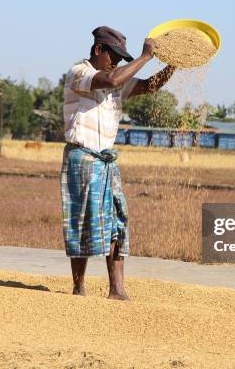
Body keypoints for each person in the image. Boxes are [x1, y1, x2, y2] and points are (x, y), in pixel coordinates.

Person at [60, 26, 175, 300]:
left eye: (122, 59)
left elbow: (149, 85)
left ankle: (117, 290)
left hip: (106, 160)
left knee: (117, 223)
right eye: (114, 56)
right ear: (99, 50)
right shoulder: (80, 73)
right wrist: (146, 56)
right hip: (82, 157)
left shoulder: (117, 81)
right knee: (83, 222)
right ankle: (79, 287)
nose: (118, 63)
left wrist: (174, 65)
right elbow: (111, 80)